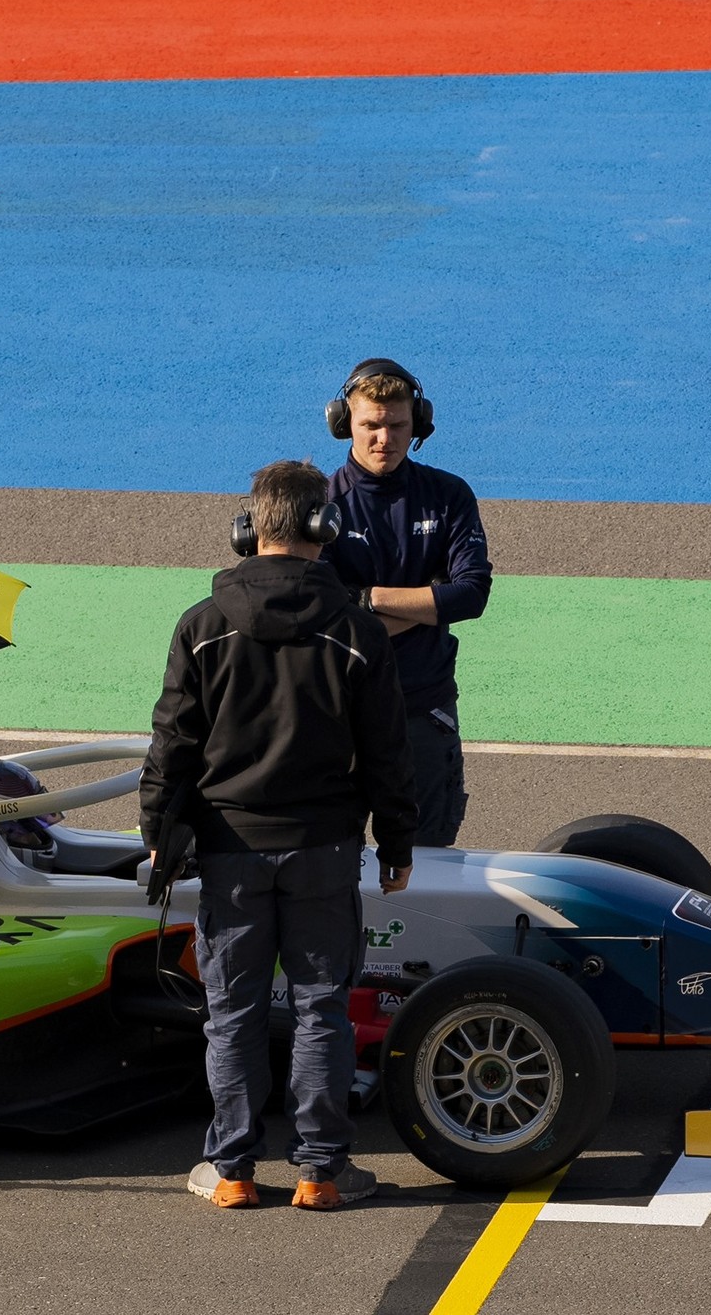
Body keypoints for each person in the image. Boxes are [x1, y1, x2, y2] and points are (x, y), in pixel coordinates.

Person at [141, 458, 418, 1212]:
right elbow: (389, 754)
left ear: (247, 529)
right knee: (322, 1005)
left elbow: (172, 743)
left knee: (232, 1011)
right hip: (325, 846)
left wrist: (158, 829)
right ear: (326, 528)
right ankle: (321, 1172)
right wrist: (397, 844)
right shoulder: (358, 630)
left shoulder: (201, 626)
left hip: (228, 847)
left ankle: (231, 1169)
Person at [321, 360, 492, 846]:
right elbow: (324, 615)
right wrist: (426, 602)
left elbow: (471, 594)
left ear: (417, 422)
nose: (385, 439)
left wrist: (366, 598)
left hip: (423, 708)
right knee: (330, 859)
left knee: (428, 859)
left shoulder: (448, 496)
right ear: (344, 423)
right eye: (370, 425)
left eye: (397, 425)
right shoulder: (320, 505)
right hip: (339, 713)